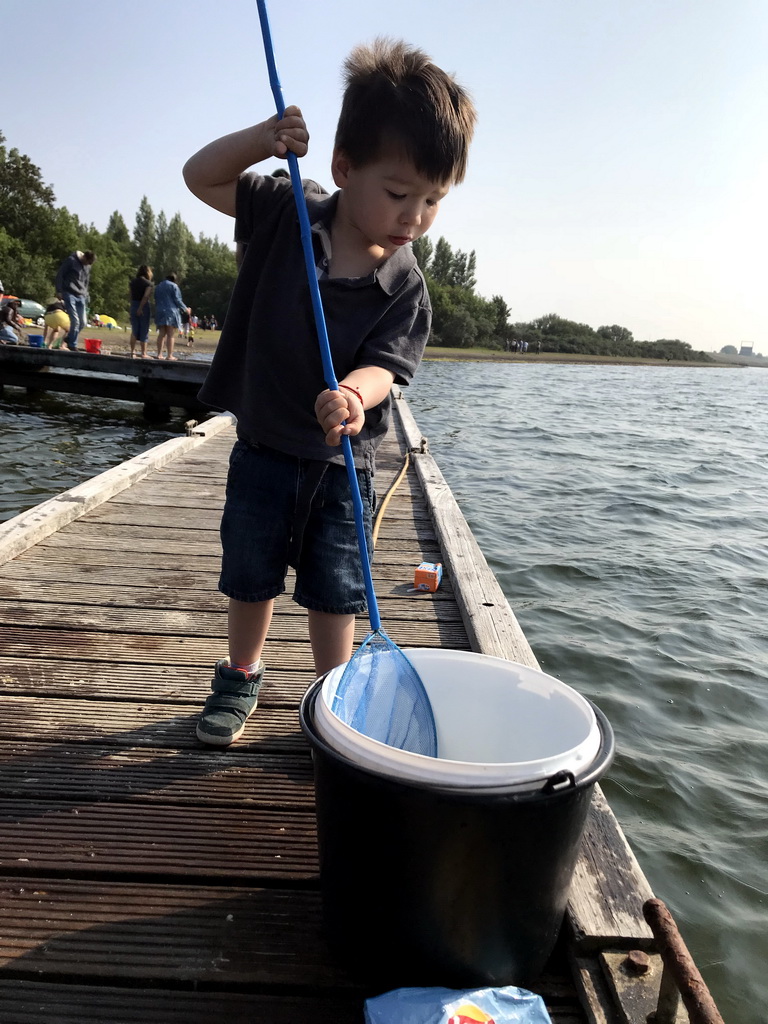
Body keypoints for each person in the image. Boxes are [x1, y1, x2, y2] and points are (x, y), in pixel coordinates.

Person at [182, 38, 475, 747]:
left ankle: (335, 702)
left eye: (434, 200)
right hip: (263, 446)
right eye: (400, 193)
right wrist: (261, 139)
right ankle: (241, 674)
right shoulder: (288, 208)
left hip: (342, 465)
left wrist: (353, 392)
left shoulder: (405, 283)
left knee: (334, 590)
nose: (415, 216)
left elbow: (389, 367)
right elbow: (199, 176)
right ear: (344, 168)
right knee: (248, 577)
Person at [54, 250, 96, 350]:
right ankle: (72, 344)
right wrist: (59, 290)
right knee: (75, 320)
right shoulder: (71, 261)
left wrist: (86, 293)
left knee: (83, 322)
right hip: (69, 293)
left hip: (81, 295)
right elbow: (60, 274)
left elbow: (86, 280)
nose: (87, 265)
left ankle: (69, 338)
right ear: (84, 257)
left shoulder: (88, 266)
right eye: (87, 262)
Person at [154, 272, 189, 360]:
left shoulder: (158, 286)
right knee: (170, 334)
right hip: (171, 311)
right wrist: (186, 309)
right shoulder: (174, 286)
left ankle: (159, 354)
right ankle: (169, 355)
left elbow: (156, 298)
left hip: (160, 311)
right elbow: (177, 300)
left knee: (161, 334)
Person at [129, 265, 154, 358]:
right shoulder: (148, 284)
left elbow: (130, 295)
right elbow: (146, 296)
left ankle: (132, 351)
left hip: (133, 304)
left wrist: (133, 306)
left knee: (134, 329)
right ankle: (144, 353)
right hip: (143, 306)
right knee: (144, 329)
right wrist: (140, 308)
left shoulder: (133, 282)